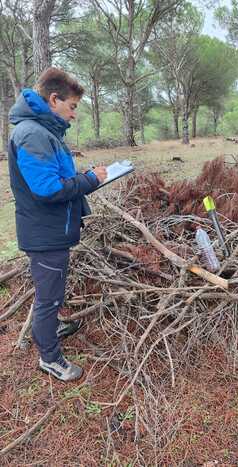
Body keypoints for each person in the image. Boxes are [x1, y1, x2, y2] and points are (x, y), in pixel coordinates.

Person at [8, 67, 107, 382]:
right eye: (73, 106)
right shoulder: (32, 134)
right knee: (48, 297)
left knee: (52, 291)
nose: (74, 114)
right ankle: (49, 358)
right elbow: (48, 189)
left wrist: (84, 178)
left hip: (51, 230)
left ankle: (50, 327)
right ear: (54, 100)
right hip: (45, 234)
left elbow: (57, 177)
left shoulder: (44, 131)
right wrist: (90, 180)